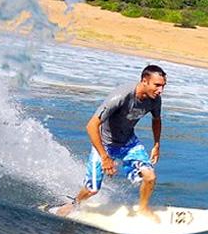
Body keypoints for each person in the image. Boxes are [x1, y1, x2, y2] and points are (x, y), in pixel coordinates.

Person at [57, 64, 166, 220]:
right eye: (157, 85)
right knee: (92, 189)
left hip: (128, 142)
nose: (160, 90)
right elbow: (91, 125)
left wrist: (156, 145)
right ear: (144, 81)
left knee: (150, 177)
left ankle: (143, 208)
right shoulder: (120, 97)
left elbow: (157, 120)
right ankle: (74, 203)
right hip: (105, 144)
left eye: (163, 86)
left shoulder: (155, 100)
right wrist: (104, 157)